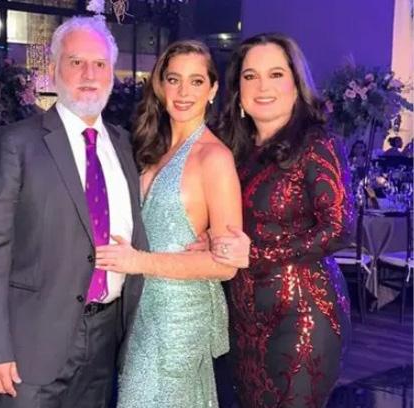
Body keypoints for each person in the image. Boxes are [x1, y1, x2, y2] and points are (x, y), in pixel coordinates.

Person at [0, 16, 148, 408]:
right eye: (76, 62)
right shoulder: (17, 143)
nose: (89, 74)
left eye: (99, 64)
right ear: (53, 69)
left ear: (111, 73)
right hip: (30, 347)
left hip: (106, 341)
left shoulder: (124, 146)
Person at [94, 40, 245, 408]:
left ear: (213, 90)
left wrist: (138, 262)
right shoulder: (152, 148)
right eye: (174, 79)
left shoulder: (214, 157)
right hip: (140, 309)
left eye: (196, 81)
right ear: (160, 86)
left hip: (180, 317)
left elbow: (225, 266)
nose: (183, 92)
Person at [212, 33, 353, 407]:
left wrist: (255, 255)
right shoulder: (233, 151)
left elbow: (339, 227)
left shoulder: (316, 144)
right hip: (243, 322)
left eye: (275, 74)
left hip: (303, 317)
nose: (262, 87)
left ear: (296, 83)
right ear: (237, 88)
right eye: (250, 76)